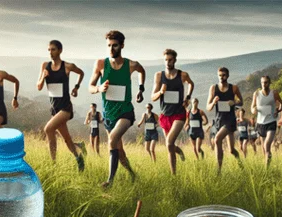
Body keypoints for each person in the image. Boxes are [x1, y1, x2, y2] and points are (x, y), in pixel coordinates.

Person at [88, 30, 144, 188]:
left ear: (122, 46)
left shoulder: (130, 65)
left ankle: (109, 182)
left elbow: (141, 70)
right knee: (119, 151)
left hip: (125, 112)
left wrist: (141, 89)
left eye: (115, 45)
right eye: (109, 46)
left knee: (112, 140)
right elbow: (90, 87)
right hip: (108, 115)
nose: (111, 49)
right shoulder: (100, 64)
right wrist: (99, 88)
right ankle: (133, 175)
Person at [38, 40, 86, 171]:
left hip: (65, 108)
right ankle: (79, 158)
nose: (50, 52)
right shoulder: (45, 66)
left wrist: (76, 87)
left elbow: (81, 73)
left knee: (48, 129)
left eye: (53, 49)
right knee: (67, 140)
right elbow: (39, 86)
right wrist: (43, 76)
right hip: (55, 108)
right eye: (49, 50)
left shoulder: (67, 66)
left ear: (60, 50)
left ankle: (53, 165)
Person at [151, 49, 194, 174]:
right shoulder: (159, 75)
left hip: (179, 114)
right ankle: (178, 151)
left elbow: (191, 84)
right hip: (165, 115)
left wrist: (188, 97)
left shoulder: (182, 75)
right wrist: (160, 92)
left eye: (170, 60)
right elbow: (153, 97)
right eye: (165, 60)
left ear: (175, 60)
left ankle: (173, 174)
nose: (167, 62)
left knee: (169, 143)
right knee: (169, 146)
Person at [207, 67, 243, 172]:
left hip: (230, 120)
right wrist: (213, 102)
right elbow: (208, 108)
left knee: (217, 139)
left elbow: (241, 102)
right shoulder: (213, 88)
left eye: (223, 75)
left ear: (227, 76)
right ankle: (240, 163)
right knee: (231, 150)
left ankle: (218, 171)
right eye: (219, 75)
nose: (221, 77)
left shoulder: (234, 88)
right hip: (219, 120)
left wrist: (235, 102)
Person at [250, 75, 282, 165]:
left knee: (266, 145)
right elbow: (252, 107)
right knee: (264, 150)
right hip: (260, 124)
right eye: (262, 82)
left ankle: (266, 170)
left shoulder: (274, 93)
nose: (264, 84)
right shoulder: (256, 94)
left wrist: (278, 110)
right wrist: (253, 110)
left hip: (271, 122)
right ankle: (268, 166)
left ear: (269, 83)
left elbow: (281, 103)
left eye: (266, 82)